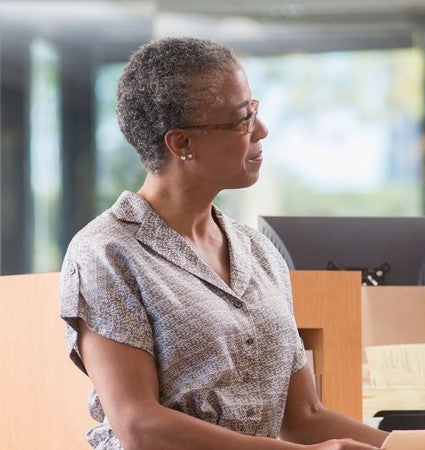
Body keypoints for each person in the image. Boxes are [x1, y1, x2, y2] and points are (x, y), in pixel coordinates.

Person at [59, 37, 389, 450]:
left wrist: (416, 446)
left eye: (255, 110)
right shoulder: (106, 252)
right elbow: (139, 425)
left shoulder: (259, 253)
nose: (261, 130)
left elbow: (304, 418)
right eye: (241, 119)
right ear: (181, 144)